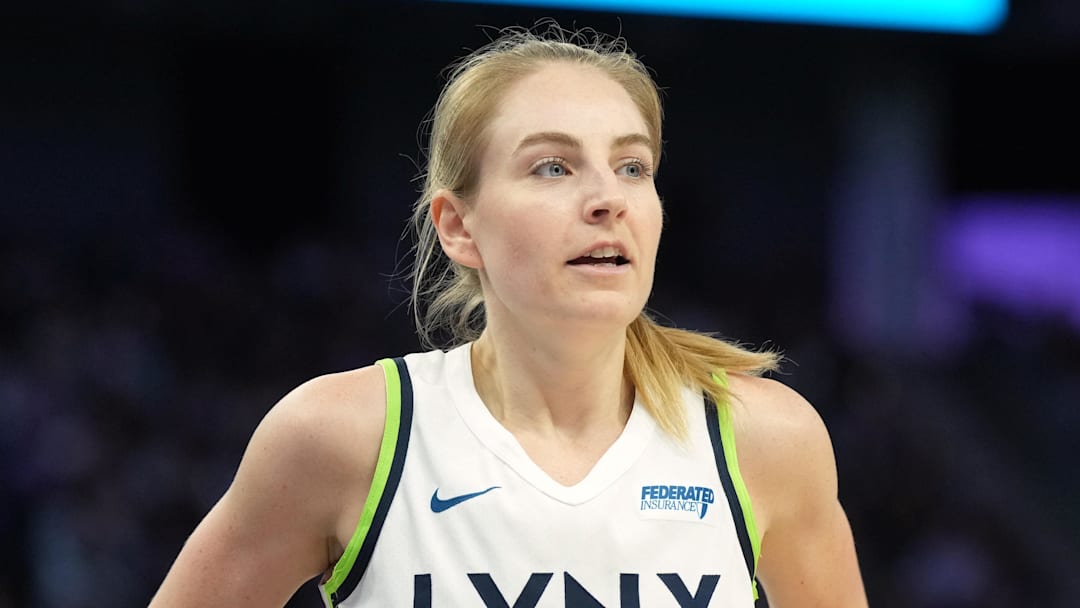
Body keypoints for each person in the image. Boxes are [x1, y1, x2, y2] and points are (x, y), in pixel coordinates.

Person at [149, 20, 868, 607]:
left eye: (632, 167)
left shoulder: (764, 440)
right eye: (552, 166)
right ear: (458, 227)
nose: (607, 199)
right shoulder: (341, 436)